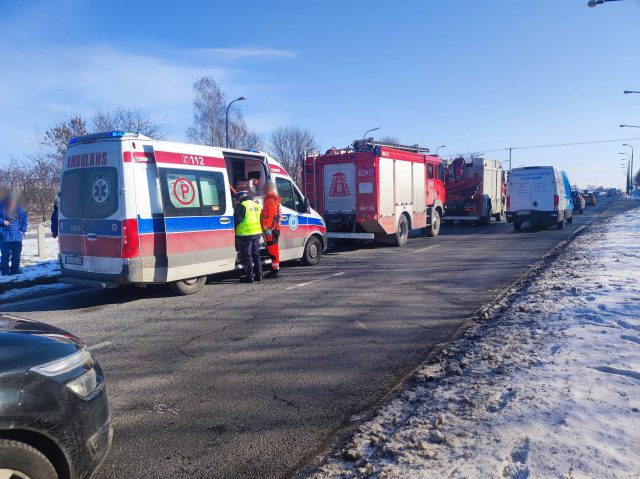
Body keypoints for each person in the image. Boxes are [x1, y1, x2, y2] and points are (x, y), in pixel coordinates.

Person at [234, 191, 263, 283]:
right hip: (256, 233)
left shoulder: (242, 205)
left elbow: (237, 220)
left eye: (237, 199)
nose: (237, 201)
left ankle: (249, 277)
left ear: (240, 197)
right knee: (256, 255)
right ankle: (259, 275)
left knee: (247, 256)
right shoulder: (256, 205)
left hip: (245, 234)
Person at [0, 192, 28, 276]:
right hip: (4, 236)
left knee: (16, 255)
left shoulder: (19, 208)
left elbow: (24, 219)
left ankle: (15, 269)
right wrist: (2, 221)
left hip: (17, 236)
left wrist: (23, 230)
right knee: (5, 255)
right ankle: (5, 271)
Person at [261, 181, 281, 279]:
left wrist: (267, 228)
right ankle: (275, 269)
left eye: (264, 189)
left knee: (272, 249)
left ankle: (275, 270)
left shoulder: (270, 200)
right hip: (273, 229)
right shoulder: (272, 199)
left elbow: (272, 215)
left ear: (268, 189)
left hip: (271, 230)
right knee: (273, 249)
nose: (263, 190)